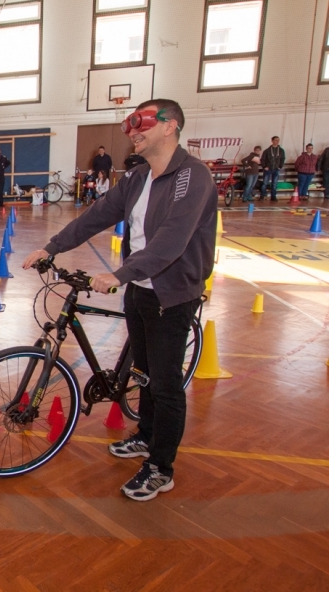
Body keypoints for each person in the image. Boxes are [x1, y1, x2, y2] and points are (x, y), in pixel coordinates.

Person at [22, 99, 216, 502]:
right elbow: (96, 217)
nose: (133, 132)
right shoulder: (137, 177)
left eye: (142, 123)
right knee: (143, 373)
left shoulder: (191, 176)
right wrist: (51, 247)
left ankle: (161, 468)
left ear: (170, 126)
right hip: (140, 290)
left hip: (171, 293)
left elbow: (172, 240)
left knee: (165, 385)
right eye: (130, 124)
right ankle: (146, 435)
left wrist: (118, 274)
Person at [261, 136, 286, 202]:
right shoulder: (267, 150)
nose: (277, 141)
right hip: (268, 169)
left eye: (278, 140)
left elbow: (282, 159)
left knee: (274, 183)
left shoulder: (281, 150)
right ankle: (262, 196)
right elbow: (263, 159)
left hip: (276, 169)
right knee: (265, 183)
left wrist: (280, 166)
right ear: (272, 141)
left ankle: (273, 196)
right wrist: (264, 166)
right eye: (275, 140)